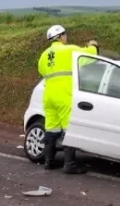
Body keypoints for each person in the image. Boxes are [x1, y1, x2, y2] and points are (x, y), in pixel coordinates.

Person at [37, 25, 99, 174]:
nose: (66, 37)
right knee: (69, 130)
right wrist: (93, 45)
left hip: (48, 96)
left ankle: (48, 162)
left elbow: (42, 71)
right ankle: (69, 164)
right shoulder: (69, 50)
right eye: (65, 34)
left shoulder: (44, 55)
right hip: (64, 96)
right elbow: (89, 55)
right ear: (60, 36)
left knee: (51, 130)